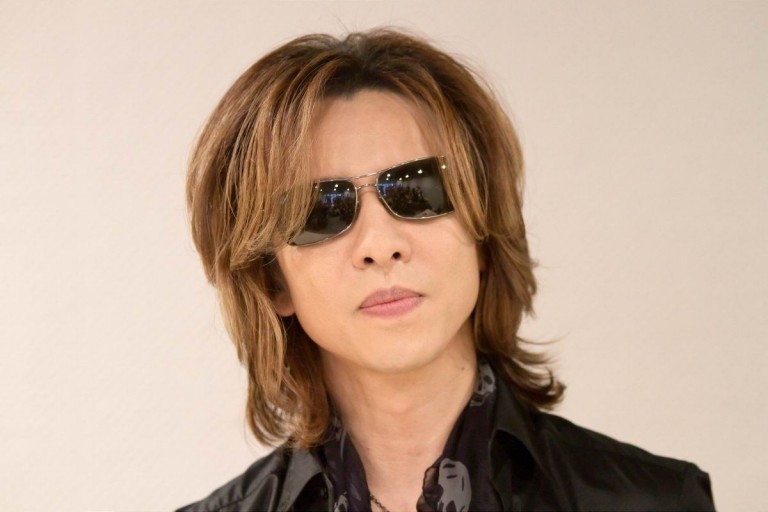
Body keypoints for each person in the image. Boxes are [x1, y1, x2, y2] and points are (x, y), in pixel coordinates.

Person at [178, 29, 714, 512]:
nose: (380, 245)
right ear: (272, 279)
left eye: (417, 189)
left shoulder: (659, 503)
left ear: (484, 229)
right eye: (321, 211)